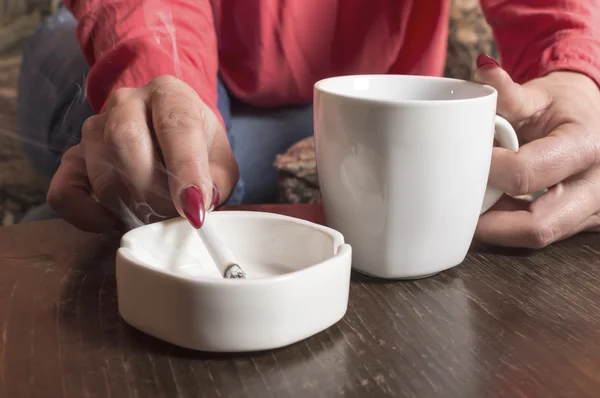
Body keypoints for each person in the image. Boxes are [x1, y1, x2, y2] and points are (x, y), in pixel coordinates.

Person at [16, 0, 600, 249]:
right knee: (158, 144)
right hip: (172, 50)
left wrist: (576, 73)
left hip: (341, 89)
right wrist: (160, 75)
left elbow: (561, 20)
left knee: (207, 182)